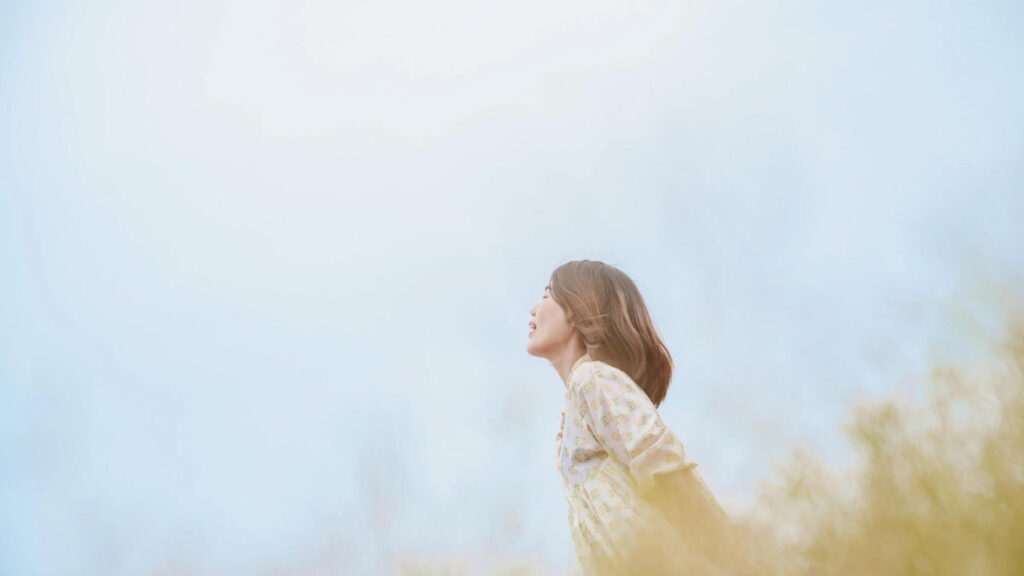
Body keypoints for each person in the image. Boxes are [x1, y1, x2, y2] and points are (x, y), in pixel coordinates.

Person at [527, 259, 740, 576]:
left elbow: (664, 467)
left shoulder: (593, 380)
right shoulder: (579, 398)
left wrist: (739, 561)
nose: (533, 309)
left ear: (575, 309)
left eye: (546, 295)